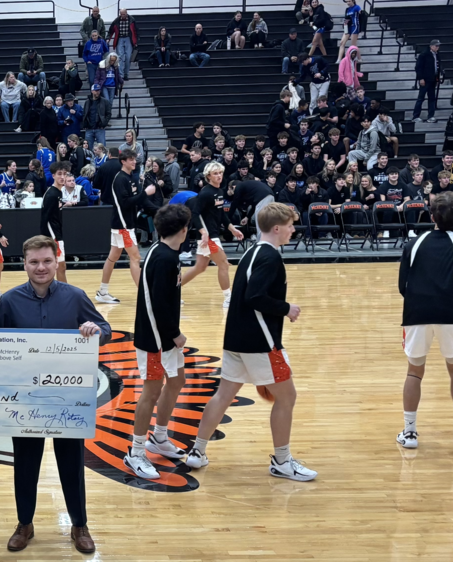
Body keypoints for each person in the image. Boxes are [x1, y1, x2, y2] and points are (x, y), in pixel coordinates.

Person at [183, 203, 315, 481]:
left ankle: (197, 450)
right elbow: (254, 297)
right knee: (287, 396)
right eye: (290, 225)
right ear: (277, 228)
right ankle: (282, 461)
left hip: (235, 339)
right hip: (260, 342)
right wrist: (286, 308)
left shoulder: (251, 253)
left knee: (224, 395)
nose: (293, 230)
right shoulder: (270, 258)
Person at [0, 234, 109, 554]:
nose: (41, 267)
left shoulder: (76, 297)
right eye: (34, 262)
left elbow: (105, 329)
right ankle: (24, 523)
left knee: (71, 463)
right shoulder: (9, 301)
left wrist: (95, 331)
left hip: (68, 399)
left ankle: (79, 524)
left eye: (47, 261)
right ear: (24, 264)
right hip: (26, 400)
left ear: (57, 260)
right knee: (25, 464)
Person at [396, 191, 453, 450]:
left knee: (414, 370)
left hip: (417, 312)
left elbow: (402, 286)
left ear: (431, 215)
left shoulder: (414, 243)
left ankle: (410, 433)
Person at [123, 204, 192, 480]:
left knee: (176, 382)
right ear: (184, 231)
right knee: (151, 392)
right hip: (156, 339)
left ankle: (159, 438)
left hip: (163, 336)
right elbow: (160, 305)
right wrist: (175, 334)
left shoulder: (164, 251)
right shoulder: (163, 258)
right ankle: (136, 452)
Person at [181, 162, 246, 308]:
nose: (219, 176)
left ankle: (172, 290)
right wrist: (203, 232)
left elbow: (221, 214)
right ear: (208, 176)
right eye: (215, 173)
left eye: (220, 173)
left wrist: (232, 229)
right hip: (208, 236)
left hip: (213, 234)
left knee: (200, 267)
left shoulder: (220, 191)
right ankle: (228, 298)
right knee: (223, 264)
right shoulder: (205, 193)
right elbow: (195, 213)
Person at [96, 148, 154, 303]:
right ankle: (145, 295)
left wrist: (158, 210)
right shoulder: (120, 179)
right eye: (131, 159)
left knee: (112, 257)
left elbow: (138, 200)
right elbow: (126, 203)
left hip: (124, 224)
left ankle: (102, 292)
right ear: (123, 161)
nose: (134, 161)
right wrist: (145, 193)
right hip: (123, 224)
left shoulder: (132, 177)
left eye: (135, 159)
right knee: (135, 257)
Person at [40, 161, 70, 282]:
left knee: (59, 267)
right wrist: (52, 238)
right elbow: (45, 219)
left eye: (64, 174)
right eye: (59, 174)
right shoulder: (52, 194)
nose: (62, 177)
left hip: (56, 234)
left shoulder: (58, 192)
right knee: (60, 267)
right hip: (53, 236)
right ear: (53, 175)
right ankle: (64, 294)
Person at [413, 40, 441, 123]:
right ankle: (416, 116)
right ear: (431, 46)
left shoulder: (437, 55)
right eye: (436, 46)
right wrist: (421, 78)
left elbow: (437, 67)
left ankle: (431, 116)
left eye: (438, 46)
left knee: (432, 98)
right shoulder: (424, 54)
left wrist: (437, 77)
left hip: (433, 79)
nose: (437, 47)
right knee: (421, 98)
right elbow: (418, 67)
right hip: (425, 79)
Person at [107, 9, 137, 81]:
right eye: (121, 14)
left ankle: (126, 74)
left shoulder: (132, 20)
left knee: (128, 57)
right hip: (120, 38)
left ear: (126, 13)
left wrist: (136, 41)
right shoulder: (116, 20)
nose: (122, 15)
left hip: (128, 38)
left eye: (123, 14)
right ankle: (121, 75)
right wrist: (108, 38)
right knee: (120, 57)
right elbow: (111, 30)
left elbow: (136, 30)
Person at [83, 84, 112, 149]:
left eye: (98, 90)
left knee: (102, 148)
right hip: (89, 128)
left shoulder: (105, 101)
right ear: (92, 91)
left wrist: (104, 123)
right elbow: (84, 114)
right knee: (88, 149)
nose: (97, 92)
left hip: (100, 128)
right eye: (96, 90)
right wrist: (85, 124)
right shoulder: (87, 102)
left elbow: (108, 114)